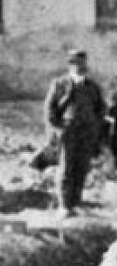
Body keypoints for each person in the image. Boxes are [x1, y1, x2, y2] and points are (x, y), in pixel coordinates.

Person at [44, 49, 106, 219]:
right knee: (66, 168)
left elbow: (101, 108)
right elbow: (50, 109)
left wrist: (94, 124)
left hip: (87, 133)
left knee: (82, 167)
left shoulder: (92, 87)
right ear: (70, 65)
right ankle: (64, 205)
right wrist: (58, 128)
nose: (80, 67)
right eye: (76, 63)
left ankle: (75, 203)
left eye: (82, 64)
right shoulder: (60, 84)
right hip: (68, 132)